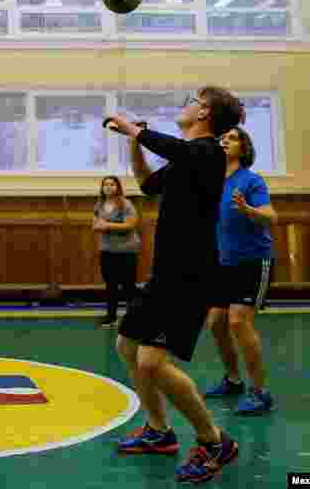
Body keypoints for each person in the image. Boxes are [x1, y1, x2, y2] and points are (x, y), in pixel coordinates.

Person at [103, 87, 243, 484]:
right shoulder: (186, 158)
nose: (186, 103)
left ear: (205, 113)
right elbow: (148, 184)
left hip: (192, 274)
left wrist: (135, 130)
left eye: (194, 99)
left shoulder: (209, 153)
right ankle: (159, 431)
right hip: (165, 272)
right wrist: (135, 145)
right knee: (127, 345)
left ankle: (214, 441)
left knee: (152, 362)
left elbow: (170, 147)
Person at [203, 126, 277, 415]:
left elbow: (271, 216)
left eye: (231, 138)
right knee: (216, 322)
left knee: (237, 321)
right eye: (222, 138)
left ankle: (259, 392)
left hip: (252, 261)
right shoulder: (213, 182)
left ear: (243, 148)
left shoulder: (251, 180)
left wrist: (249, 210)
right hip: (223, 262)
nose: (224, 142)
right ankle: (233, 380)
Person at [92, 176, 141, 328]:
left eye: (112, 184)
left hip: (127, 250)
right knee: (110, 285)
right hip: (107, 250)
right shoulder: (99, 205)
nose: (108, 187)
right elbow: (94, 225)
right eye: (105, 184)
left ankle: (133, 318)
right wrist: (105, 225)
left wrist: (106, 225)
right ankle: (111, 317)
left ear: (117, 187)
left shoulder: (126, 204)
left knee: (128, 286)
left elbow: (130, 225)